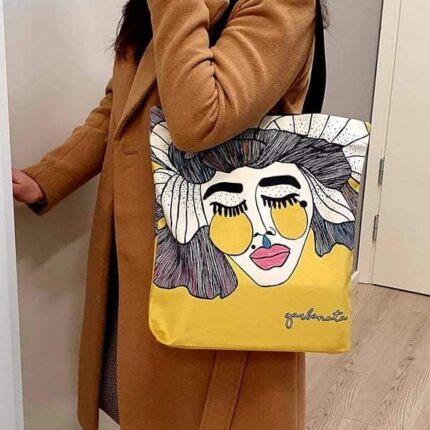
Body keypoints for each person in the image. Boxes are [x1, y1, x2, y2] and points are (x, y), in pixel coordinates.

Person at [13, 0, 327, 428]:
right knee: (143, 404)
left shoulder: (279, 5)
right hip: (138, 259)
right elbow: (119, 109)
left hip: (218, 263)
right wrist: (48, 177)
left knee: (203, 411)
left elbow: (201, 119)